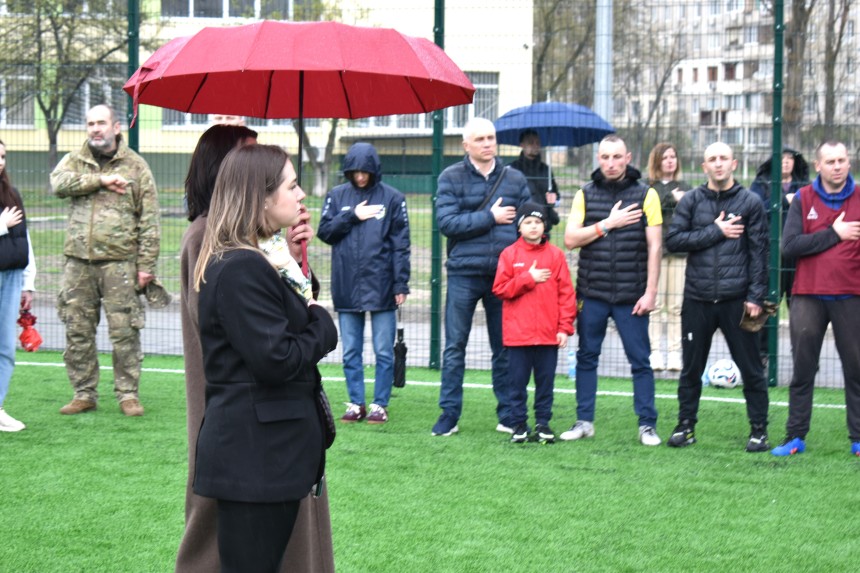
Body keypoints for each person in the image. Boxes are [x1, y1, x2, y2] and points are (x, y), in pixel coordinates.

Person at [176, 125, 335, 573]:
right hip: (253, 444)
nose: (301, 194)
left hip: (271, 446)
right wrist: (323, 326)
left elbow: (283, 314)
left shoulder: (257, 250)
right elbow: (273, 354)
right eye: (290, 184)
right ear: (258, 193)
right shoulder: (233, 258)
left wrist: (293, 260)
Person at [51, 104, 160, 417]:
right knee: (77, 330)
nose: (95, 129)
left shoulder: (136, 166)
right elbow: (58, 184)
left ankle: (128, 394)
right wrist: (99, 180)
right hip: (78, 263)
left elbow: (150, 220)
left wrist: (146, 266)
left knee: (125, 331)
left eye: (101, 123)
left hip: (120, 263)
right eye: (90, 124)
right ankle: (84, 393)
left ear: (116, 127)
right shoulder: (75, 160)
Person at [665, 142, 770, 452]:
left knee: (751, 368)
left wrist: (755, 296)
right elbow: (674, 241)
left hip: (737, 300)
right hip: (697, 299)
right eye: (712, 159)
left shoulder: (750, 202)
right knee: (691, 369)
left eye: (724, 158)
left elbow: (760, 252)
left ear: (734, 164)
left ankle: (759, 431)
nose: (719, 163)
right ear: (704, 166)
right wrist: (716, 230)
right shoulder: (691, 200)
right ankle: (686, 427)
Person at [432, 117, 531, 437]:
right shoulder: (450, 177)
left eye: (491, 137)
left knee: (504, 348)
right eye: (480, 139)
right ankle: (449, 414)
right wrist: (490, 217)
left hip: (504, 276)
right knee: (454, 347)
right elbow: (447, 223)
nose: (488, 143)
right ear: (466, 145)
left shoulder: (514, 179)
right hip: (463, 273)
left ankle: (508, 414)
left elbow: (530, 221)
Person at [561, 134, 663, 446]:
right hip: (592, 293)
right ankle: (584, 422)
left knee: (640, 361)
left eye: (617, 157)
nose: (611, 163)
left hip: (632, 296)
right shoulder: (584, 194)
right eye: (605, 157)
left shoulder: (647, 194)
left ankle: (647, 425)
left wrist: (650, 292)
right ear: (598, 159)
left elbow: (655, 247)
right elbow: (570, 239)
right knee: (586, 357)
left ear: (628, 158)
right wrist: (608, 223)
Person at [771, 141, 860, 457]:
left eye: (842, 160)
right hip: (808, 295)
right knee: (803, 369)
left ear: (848, 163)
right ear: (818, 165)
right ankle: (795, 436)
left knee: (856, 369)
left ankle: (858, 438)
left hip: (851, 295)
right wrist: (835, 233)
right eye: (830, 161)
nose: (837, 166)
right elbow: (790, 246)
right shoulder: (803, 198)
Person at [317, 142, 410, 425]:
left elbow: (401, 245)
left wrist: (400, 284)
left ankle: (380, 404)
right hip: (346, 284)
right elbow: (325, 232)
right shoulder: (336, 196)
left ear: (374, 170)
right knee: (350, 351)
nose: (360, 177)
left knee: (383, 351)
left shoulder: (393, 199)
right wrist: (352, 216)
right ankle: (356, 403)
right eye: (355, 172)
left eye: (365, 172)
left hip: (382, 286)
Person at [492, 202, 576, 444]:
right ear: (519, 227)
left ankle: (543, 423)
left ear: (544, 225)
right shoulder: (509, 254)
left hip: (548, 335)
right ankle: (519, 424)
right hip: (518, 336)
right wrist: (528, 278)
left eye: (537, 222)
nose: (533, 226)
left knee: (545, 383)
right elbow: (500, 289)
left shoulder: (556, 255)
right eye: (527, 222)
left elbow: (566, 294)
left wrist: (564, 328)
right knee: (517, 383)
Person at [646, 142, 691, 372]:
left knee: (675, 306)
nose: (670, 161)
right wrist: (671, 200)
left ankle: (674, 353)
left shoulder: (685, 187)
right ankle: (654, 352)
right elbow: (649, 212)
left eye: (673, 156)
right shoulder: (649, 187)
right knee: (655, 305)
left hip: (679, 253)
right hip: (657, 253)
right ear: (657, 161)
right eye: (665, 157)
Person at [0, 139, 36, 432]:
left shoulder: (12, 194)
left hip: (12, 277)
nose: (0, 162)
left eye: (2, 156)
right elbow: (9, 226)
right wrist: (1, 225)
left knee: (5, 347)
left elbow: (26, 239)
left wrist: (28, 282)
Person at [750, 147, 810, 307]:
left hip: (797, 254)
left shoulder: (804, 184)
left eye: (790, 158)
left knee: (798, 306)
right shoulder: (761, 183)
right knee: (768, 306)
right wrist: (782, 201)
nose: (786, 162)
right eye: (782, 158)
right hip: (769, 253)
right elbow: (755, 210)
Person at [508, 129, 561, 232]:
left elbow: (557, 197)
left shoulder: (546, 170)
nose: (535, 145)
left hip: (543, 224)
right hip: (520, 225)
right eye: (531, 142)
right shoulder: (512, 169)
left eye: (537, 143)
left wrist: (554, 200)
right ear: (522, 145)